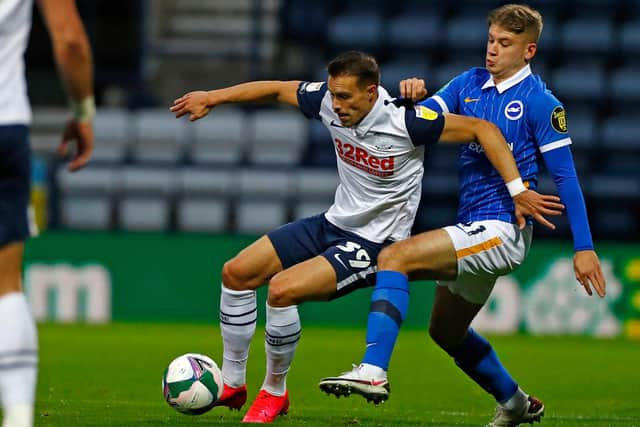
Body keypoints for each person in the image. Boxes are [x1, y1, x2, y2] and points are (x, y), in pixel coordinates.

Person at [170, 50, 562, 424]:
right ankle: (233, 383)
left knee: (281, 290)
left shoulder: (408, 122)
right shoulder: (326, 100)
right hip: (333, 222)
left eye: (345, 96)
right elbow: (275, 88)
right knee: (237, 272)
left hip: (374, 243)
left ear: (371, 92)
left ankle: (274, 390)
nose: (336, 104)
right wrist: (212, 97)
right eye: (333, 94)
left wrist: (517, 190)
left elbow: (483, 128)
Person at [319, 5, 606, 427]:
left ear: (528, 51)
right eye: (491, 40)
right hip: (473, 226)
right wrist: (410, 97)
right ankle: (515, 404)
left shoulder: (541, 104)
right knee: (445, 332)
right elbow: (417, 122)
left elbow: (567, 179)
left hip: (503, 228)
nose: (493, 50)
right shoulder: (468, 84)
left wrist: (584, 247)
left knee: (394, 257)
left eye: (504, 44)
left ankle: (374, 370)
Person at [0, 1, 95, 426]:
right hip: (4, 124)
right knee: (6, 287)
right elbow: (70, 39)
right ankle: (18, 417)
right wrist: (83, 113)